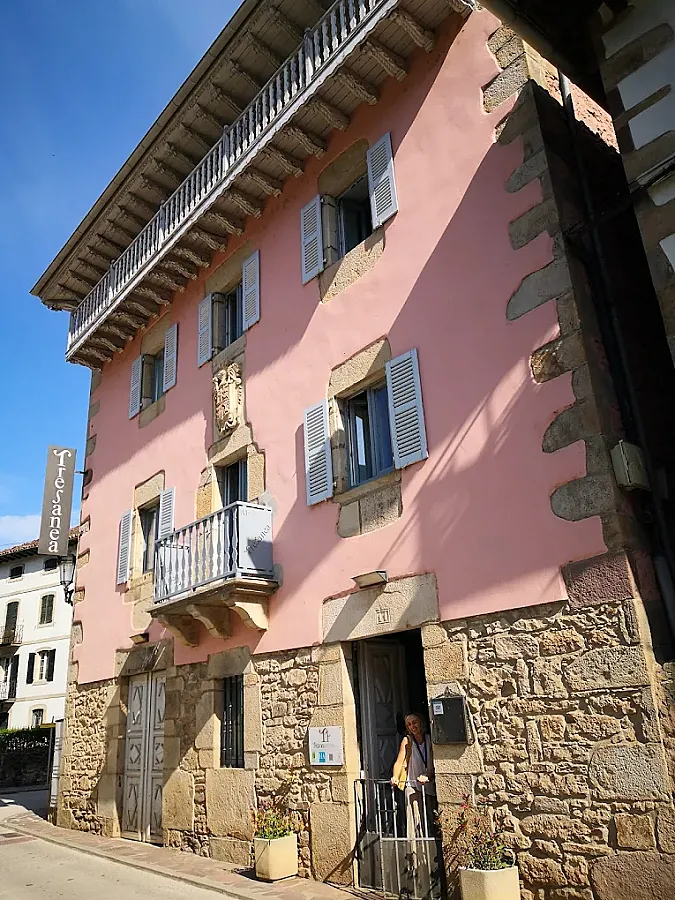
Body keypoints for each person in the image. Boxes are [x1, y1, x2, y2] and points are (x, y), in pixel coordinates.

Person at [390, 712, 435, 839]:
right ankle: (416, 849)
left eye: (414, 722)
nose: (412, 726)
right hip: (413, 785)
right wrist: (395, 777)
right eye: (409, 724)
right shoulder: (407, 740)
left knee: (432, 818)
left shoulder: (429, 739)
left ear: (421, 722)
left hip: (429, 784)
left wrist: (428, 776)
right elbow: (399, 761)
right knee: (416, 820)